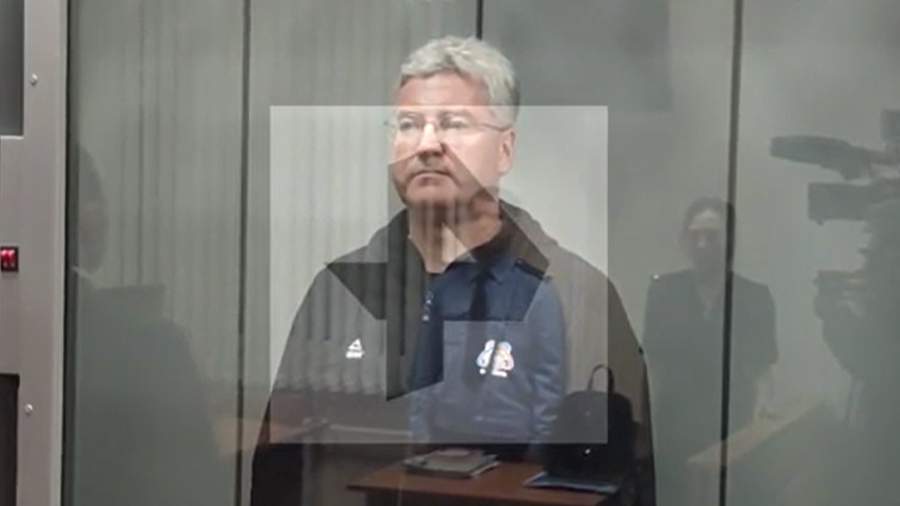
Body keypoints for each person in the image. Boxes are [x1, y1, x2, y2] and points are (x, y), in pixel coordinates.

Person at [252, 36, 654, 505]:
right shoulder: (341, 290)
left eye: (454, 123)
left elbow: (625, 480)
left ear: (505, 150)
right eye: (408, 125)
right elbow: (281, 457)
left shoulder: (576, 293)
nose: (427, 144)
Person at [642, 197, 777, 505]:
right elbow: (653, 366)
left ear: (730, 242)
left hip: (733, 427)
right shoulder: (664, 292)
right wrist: (646, 429)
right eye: (695, 236)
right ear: (684, 240)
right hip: (673, 428)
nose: (702, 244)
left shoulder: (754, 297)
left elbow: (763, 370)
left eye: (712, 236)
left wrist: (761, 417)